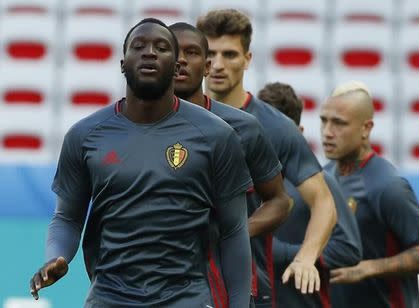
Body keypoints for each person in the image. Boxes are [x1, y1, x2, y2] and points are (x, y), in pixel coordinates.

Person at [29, 18, 254, 308]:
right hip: (110, 297)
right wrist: (56, 256)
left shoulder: (216, 135)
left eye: (161, 47)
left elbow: (234, 230)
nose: (149, 52)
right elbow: (68, 218)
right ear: (123, 64)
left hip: (184, 298)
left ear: (176, 68)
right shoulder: (85, 136)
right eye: (139, 46)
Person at [197, 9, 337, 308]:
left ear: (247, 59)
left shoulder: (275, 127)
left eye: (230, 55)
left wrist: (305, 258)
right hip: (181, 284)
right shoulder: (173, 118)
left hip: (246, 287)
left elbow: (323, 202)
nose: (218, 65)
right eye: (210, 54)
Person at [169, 22, 291, 308]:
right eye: (173, 52)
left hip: (223, 283)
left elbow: (280, 201)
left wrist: (234, 232)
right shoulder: (138, 128)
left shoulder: (243, 128)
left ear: (207, 67)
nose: (181, 60)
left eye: (191, 52)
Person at [320, 81, 419, 308]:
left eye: (339, 123)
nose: (327, 132)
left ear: (366, 128)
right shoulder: (324, 177)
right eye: (324, 120)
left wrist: (369, 268)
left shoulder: (388, 186)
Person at [258, 82, 363, 307]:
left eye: (280, 133)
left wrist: (284, 253)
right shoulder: (242, 178)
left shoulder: (320, 183)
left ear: (298, 133)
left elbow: (349, 250)